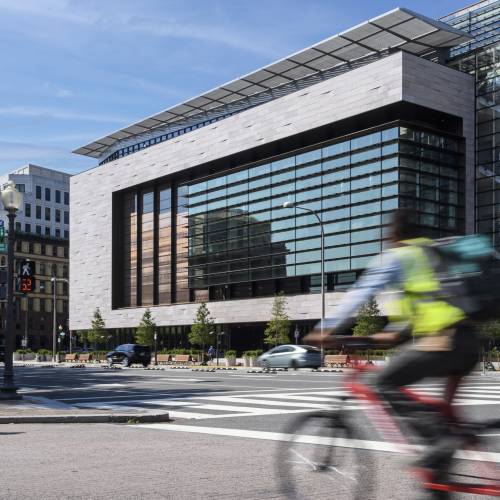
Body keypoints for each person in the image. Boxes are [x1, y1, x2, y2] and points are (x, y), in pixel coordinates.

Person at [305, 208, 480, 499]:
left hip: (442, 341)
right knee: (445, 423)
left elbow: (361, 293)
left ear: (393, 234)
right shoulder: (432, 253)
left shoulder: (397, 257)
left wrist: (324, 329)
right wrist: (394, 332)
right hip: (469, 343)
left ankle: (440, 442)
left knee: (380, 383)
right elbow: (432, 300)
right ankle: (440, 481)